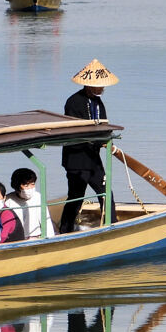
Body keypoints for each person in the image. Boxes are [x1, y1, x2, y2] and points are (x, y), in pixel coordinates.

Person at [60, 59, 119, 234]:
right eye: (99, 85)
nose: (102, 88)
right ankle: (65, 230)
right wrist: (95, 139)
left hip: (93, 158)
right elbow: (75, 130)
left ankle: (112, 225)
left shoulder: (98, 103)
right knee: (76, 197)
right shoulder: (74, 102)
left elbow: (104, 126)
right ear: (89, 85)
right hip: (77, 159)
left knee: (105, 191)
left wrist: (107, 141)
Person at [4, 168, 56, 239]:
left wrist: (50, 237)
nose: (30, 188)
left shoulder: (37, 197)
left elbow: (46, 219)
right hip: (17, 238)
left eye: (32, 184)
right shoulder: (8, 200)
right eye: (26, 185)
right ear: (17, 186)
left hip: (36, 236)